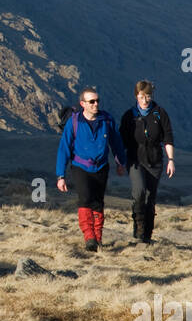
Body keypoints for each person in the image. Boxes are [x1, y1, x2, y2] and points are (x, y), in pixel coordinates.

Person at [55, 86, 126, 251]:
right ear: (83, 104)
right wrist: (60, 175)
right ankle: (89, 237)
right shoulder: (74, 122)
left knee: (98, 202)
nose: (96, 104)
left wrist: (120, 163)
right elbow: (64, 148)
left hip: (101, 167)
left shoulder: (107, 120)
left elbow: (116, 143)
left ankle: (98, 237)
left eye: (97, 101)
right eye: (91, 101)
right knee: (85, 199)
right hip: (80, 167)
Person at [118, 80, 175, 243]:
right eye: (142, 96)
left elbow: (168, 138)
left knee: (151, 197)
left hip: (155, 160)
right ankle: (139, 228)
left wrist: (171, 159)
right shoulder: (129, 115)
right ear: (136, 96)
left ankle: (147, 235)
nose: (145, 100)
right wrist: (119, 161)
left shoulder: (160, 113)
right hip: (135, 160)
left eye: (148, 96)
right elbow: (121, 140)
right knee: (139, 192)